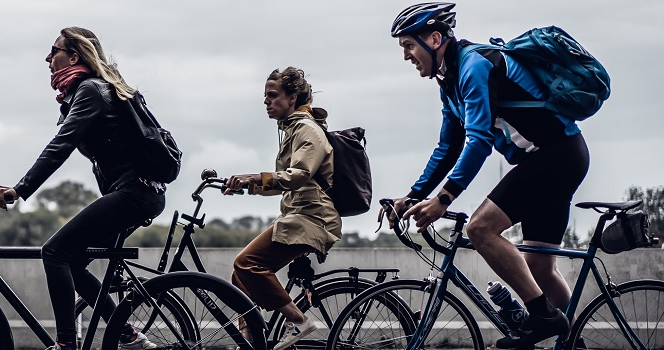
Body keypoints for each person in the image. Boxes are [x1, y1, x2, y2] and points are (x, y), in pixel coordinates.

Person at [387, 3, 589, 348]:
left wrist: (444, 198)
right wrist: (415, 194)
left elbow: (478, 141)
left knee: (480, 228)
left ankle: (542, 317)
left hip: (556, 157)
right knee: (539, 269)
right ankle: (571, 343)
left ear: (435, 39)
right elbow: (448, 146)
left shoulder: (474, 66)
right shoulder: (449, 81)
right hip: (552, 159)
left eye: (409, 45)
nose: (406, 55)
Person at [0, 27, 165, 350]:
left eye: (53, 50)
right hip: (139, 193)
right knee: (69, 260)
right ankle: (128, 336)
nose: (46, 57)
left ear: (73, 56)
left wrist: (19, 189)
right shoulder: (84, 92)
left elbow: (61, 146)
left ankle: (66, 344)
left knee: (54, 251)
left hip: (134, 193)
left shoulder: (91, 91)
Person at [224, 67, 341, 350]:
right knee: (239, 276)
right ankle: (250, 337)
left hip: (313, 218)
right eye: (265, 96)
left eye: (273, 95)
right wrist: (247, 183)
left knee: (246, 263)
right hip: (298, 215)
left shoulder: (307, 130)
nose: (266, 101)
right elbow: (283, 183)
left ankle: (298, 320)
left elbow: (298, 175)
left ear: (293, 97)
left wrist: (255, 176)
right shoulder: (292, 130)